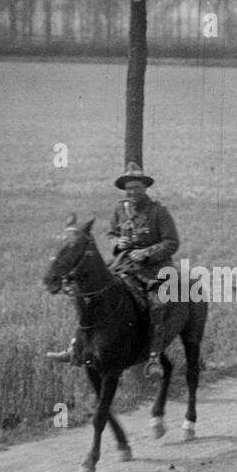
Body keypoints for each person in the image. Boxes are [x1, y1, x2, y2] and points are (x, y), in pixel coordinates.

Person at [47, 161, 179, 375]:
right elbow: (111, 234)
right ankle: (77, 348)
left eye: (136, 188)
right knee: (90, 297)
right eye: (129, 188)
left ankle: (153, 358)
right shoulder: (120, 209)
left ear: (145, 188)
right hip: (124, 265)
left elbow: (171, 242)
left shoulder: (158, 211)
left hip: (155, 270)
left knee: (157, 305)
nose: (132, 192)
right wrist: (117, 243)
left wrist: (146, 252)